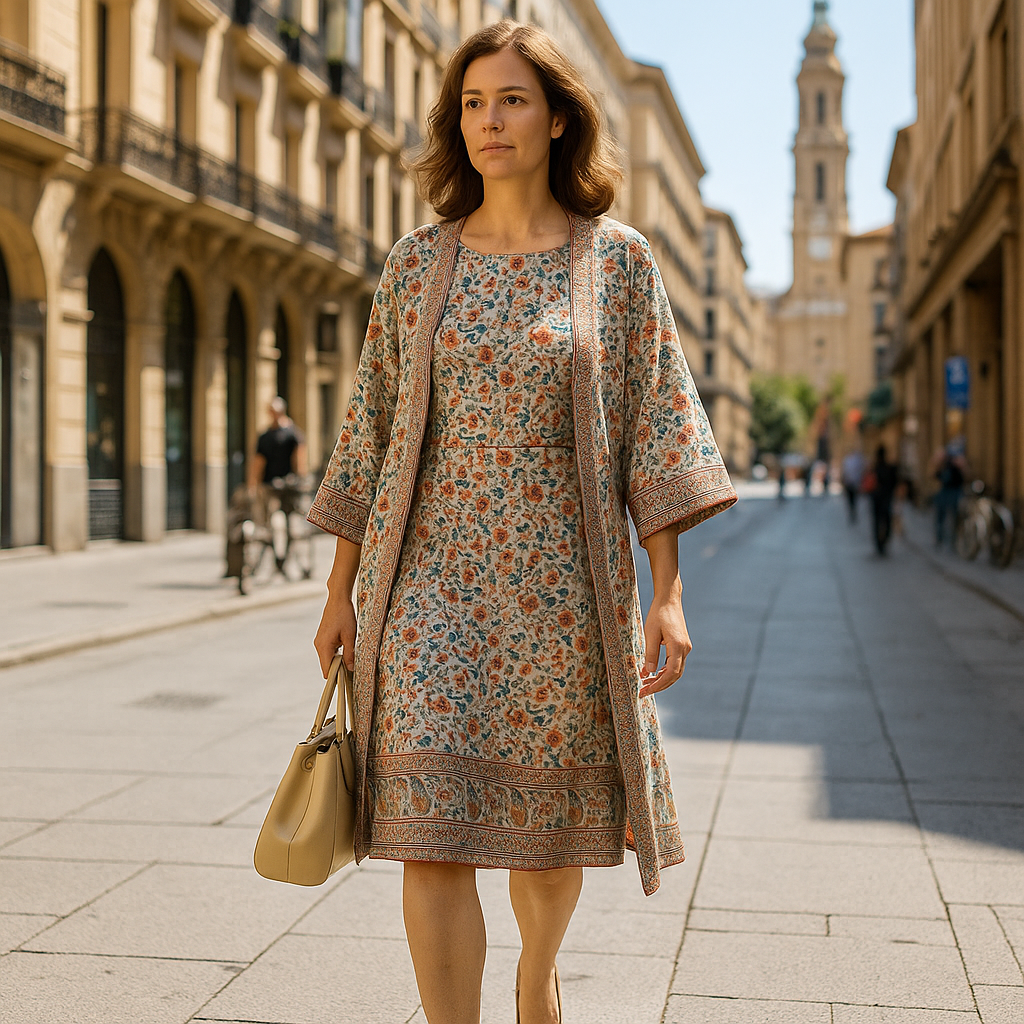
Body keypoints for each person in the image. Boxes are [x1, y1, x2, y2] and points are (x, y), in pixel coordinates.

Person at [306, 21, 736, 1024]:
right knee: (429, 830)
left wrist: (666, 595)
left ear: (555, 118)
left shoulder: (617, 263)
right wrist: (338, 589)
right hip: (425, 587)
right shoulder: (417, 265)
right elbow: (367, 429)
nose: (487, 122)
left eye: (508, 100)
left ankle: (536, 978)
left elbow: (656, 429)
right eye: (470, 103)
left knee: (548, 841)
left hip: (560, 593)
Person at [248, 398, 307, 570]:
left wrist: (300, 479)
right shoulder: (267, 436)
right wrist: (253, 484)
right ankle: (276, 556)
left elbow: (299, 459)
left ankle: (285, 557)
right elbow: (258, 462)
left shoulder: (292, 433)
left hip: (287, 486)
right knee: (269, 523)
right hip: (270, 486)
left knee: (288, 522)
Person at [930, 445, 966, 549]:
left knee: (954, 516)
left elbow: (965, 476)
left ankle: (953, 540)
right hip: (944, 491)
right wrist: (936, 462)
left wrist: (962, 466)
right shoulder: (942, 465)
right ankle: (940, 538)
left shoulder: (956, 464)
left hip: (955, 491)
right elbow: (933, 475)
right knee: (941, 516)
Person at [869, 444, 899, 556]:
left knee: (877, 522)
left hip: (877, 499)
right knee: (886, 521)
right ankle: (883, 542)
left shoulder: (875, 468)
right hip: (886, 499)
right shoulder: (889, 468)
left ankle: (879, 544)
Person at [840, 448, 866, 524]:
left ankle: (853, 512)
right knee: (851, 500)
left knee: (853, 500)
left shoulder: (851, 461)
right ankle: (852, 512)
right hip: (851, 483)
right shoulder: (848, 460)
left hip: (853, 483)